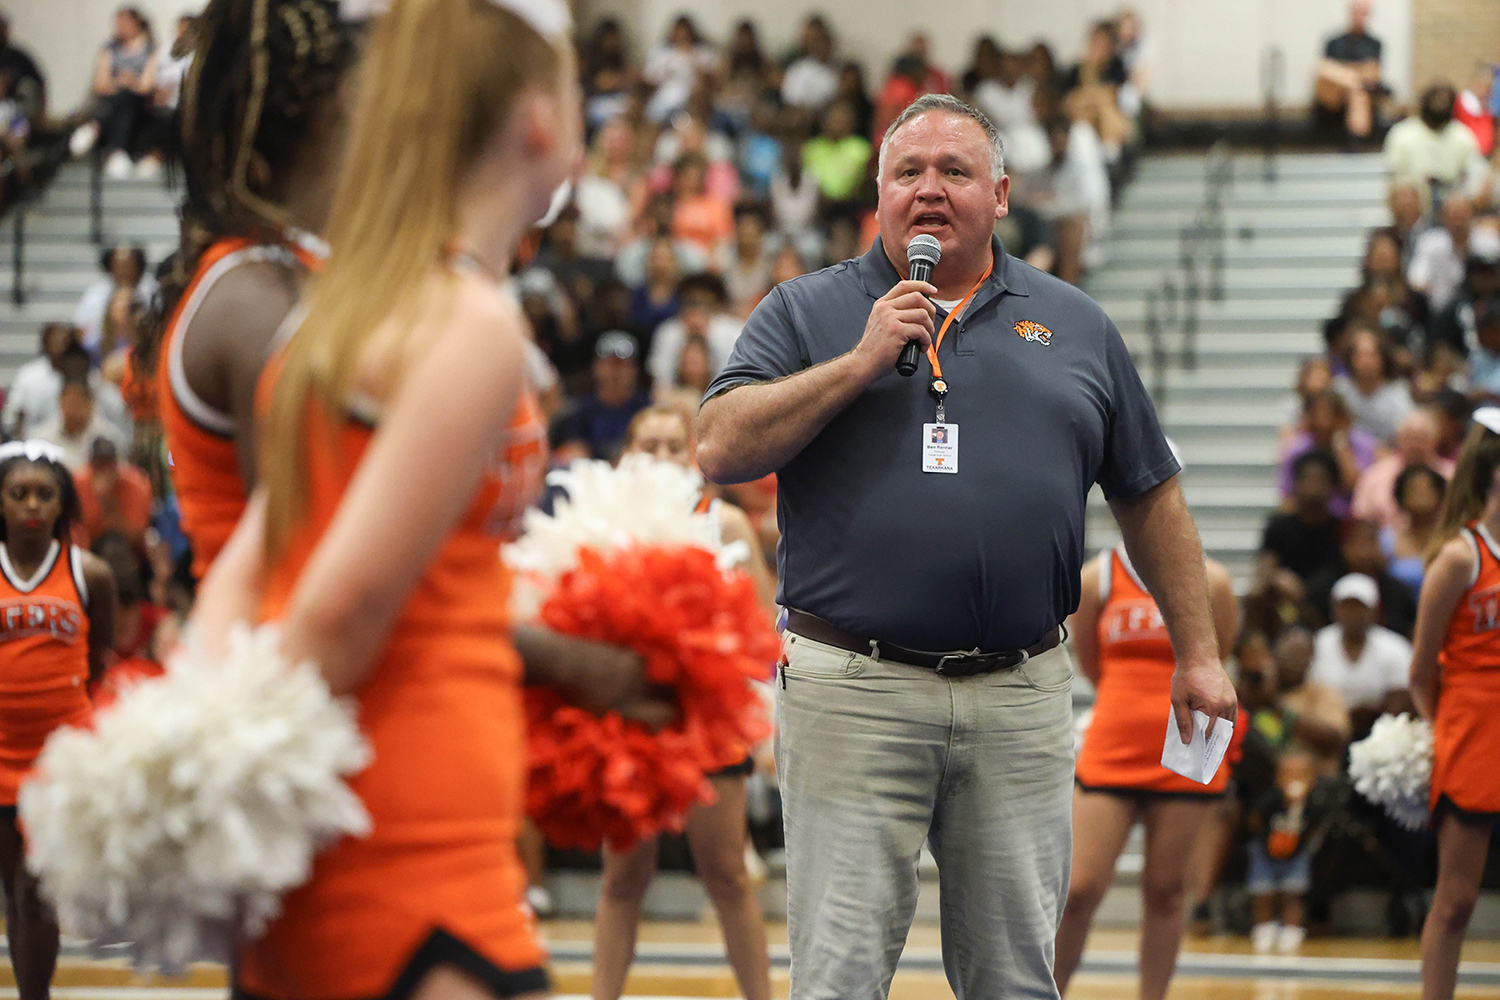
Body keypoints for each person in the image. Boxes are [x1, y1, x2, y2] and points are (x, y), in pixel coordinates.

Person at [695, 93, 1235, 999]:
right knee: (838, 979)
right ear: (879, 194)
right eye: (909, 171)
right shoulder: (807, 310)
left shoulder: (1076, 324)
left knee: (1016, 981)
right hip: (853, 693)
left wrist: (1201, 651)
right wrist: (856, 364)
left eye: (955, 171)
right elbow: (718, 444)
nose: (931, 190)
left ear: (1002, 192)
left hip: (1020, 697)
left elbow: (1151, 493)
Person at [187, 0, 591, 995]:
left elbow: (244, 580)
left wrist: (198, 764)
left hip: (328, 842)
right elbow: (337, 609)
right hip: (418, 864)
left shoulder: (340, 307)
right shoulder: (472, 322)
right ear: (541, 118)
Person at [591, 406, 774, 1000]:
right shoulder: (601, 522)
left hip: (707, 721)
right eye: (650, 445)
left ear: (697, 457)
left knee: (726, 873)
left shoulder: (724, 524)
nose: (664, 456)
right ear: (625, 456)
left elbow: (761, 630)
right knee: (623, 878)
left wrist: (765, 721)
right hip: (628, 719)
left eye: (676, 446)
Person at [1054, 540, 1239, 1000]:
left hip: (1185, 744)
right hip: (1113, 744)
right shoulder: (1097, 578)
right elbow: (1090, 662)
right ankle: (1049, 992)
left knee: (1166, 890)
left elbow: (1218, 658)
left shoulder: (1212, 581)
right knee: (1077, 889)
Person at [0, 441, 115, 1000]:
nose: (31, 504)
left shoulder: (90, 573)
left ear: (62, 504)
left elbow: (99, 660)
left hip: (58, 757)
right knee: (13, 889)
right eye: (18, 492)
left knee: (34, 888)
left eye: (45, 494)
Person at [1409, 406, 1500, 1000]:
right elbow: (1421, 671)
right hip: (1473, 733)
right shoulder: (1460, 557)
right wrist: (1443, 732)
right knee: (1457, 901)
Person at [1309, 572, 1413, 737]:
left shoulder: (1396, 647)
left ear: (1373, 610)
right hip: (1327, 732)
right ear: (1335, 608)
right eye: (1346, 606)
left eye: (1359, 607)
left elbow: (1402, 698)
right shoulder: (1317, 644)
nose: (1353, 614)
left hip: (1379, 733)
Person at [1247, 751, 1323, 954]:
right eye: (1288, 775)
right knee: (1263, 892)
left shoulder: (1312, 804)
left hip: (1296, 855)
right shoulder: (1271, 800)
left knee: (1293, 893)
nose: (1294, 781)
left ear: (1313, 780)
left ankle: (1291, 929)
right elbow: (1255, 819)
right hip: (1266, 853)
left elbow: (1315, 826)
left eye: (1301, 775)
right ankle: (1264, 928)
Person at [1385, 82, 1488, 210]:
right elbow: (1393, 175)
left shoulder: (1462, 135)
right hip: (1415, 200)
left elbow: (1477, 173)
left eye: (1444, 100)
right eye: (1435, 99)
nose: (1439, 104)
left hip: (1450, 201)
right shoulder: (1403, 134)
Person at [556, 330, 651, 463]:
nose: (615, 372)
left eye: (622, 365)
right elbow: (575, 450)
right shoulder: (582, 413)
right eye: (609, 364)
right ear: (596, 367)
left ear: (634, 370)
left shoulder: (648, 409)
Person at [1351, 409, 1454, 530]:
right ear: (1398, 440)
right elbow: (1360, 517)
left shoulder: (1452, 475)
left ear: (1436, 440)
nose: (1416, 445)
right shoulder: (1375, 475)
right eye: (1410, 438)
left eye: (1422, 438)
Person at [90, 7, 159, 179]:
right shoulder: (109, 49)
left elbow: (146, 86)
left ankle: (116, 149)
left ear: (136, 24)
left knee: (130, 100)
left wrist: (126, 81)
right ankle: (114, 150)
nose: (118, 28)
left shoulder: (151, 49)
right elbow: (100, 85)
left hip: (141, 104)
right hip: (114, 101)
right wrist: (123, 82)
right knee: (122, 100)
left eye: (123, 23)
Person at [646, 273, 742, 391]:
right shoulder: (668, 332)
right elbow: (660, 382)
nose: (696, 310)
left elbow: (736, 381)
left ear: (715, 306)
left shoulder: (731, 332)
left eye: (702, 303)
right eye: (691, 302)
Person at [1408, 194, 1500, 316]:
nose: (1458, 223)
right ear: (1443, 218)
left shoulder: (1490, 243)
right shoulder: (1430, 243)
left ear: (1472, 216)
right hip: (1441, 312)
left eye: (1462, 216)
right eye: (1453, 216)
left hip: (1483, 311)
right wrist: (1431, 290)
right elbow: (1415, 278)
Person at [1262, 451, 1346, 583]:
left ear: (1333, 485)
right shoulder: (1279, 527)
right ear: (1295, 484)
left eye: (1320, 480)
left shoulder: (1343, 531)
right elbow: (1265, 570)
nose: (1313, 488)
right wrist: (1277, 578)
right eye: (1307, 479)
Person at [1315, 0, 1383, 141]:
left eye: (1364, 13)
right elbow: (1326, 70)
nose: (1360, 16)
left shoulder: (1374, 44)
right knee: (1326, 69)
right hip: (1334, 92)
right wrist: (1355, 72)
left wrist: (1344, 71)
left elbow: (1372, 73)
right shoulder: (1334, 42)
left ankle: (1355, 141)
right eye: (1357, 12)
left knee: (1357, 93)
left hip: (1360, 90)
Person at [73, 245, 155, 362]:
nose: (123, 270)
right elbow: (81, 331)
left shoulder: (151, 290)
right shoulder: (95, 294)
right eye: (118, 265)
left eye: (128, 265)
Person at [1333, 326, 1412, 444]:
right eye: (1361, 355)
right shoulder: (1339, 390)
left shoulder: (1398, 391)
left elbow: (1405, 431)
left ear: (1382, 358)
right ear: (1351, 358)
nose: (1366, 361)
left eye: (1372, 355)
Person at [73, 437, 152, 552]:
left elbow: (136, 537)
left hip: (128, 551)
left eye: (108, 464)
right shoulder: (78, 482)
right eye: (98, 465)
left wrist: (107, 502)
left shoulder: (136, 483)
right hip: (88, 548)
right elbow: (79, 530)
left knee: (114, 548)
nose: (103, 471)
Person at [32, 377, 129, 471]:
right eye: (68, 402)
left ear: (90, 405)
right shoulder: (40, 438)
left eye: (76, 403)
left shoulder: (110, 437)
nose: (72, 409)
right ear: (60, 403)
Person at [1383, 464, 1448, 598]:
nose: (1421, 494)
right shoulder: (1387, 538)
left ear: (1440, 494)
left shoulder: (1453, 538)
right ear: (1401, 495)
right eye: (1413, 489)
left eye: (1427, 488)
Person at [781, 16, 839, 113]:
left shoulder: (836, 73)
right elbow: (789, 95)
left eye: (826, 44)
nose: (823, 48)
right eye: (819, 43)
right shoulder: (800, 67)